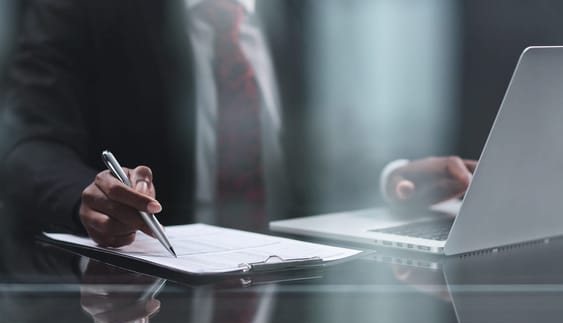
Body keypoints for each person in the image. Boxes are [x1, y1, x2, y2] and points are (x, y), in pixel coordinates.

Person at [0, 0, 476, 248]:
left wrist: (394, 178)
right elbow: (27, 144)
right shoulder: (85, 9)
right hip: (151, 287)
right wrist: (92, 196)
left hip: (294, 277)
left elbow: (313, 143)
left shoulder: (303, 13)